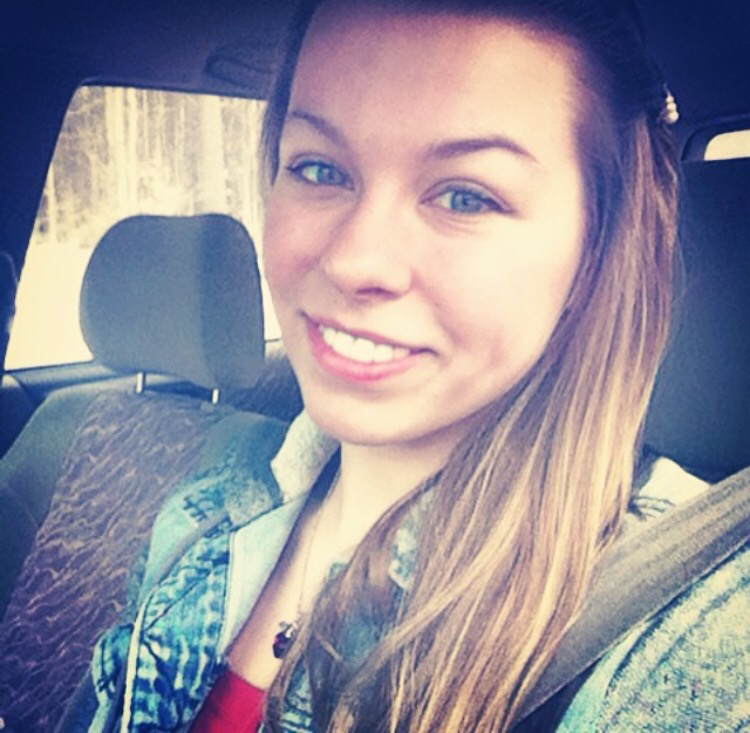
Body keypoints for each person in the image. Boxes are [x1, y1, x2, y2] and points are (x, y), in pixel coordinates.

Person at [60, 0, 748, 731]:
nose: (355, 260)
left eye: (466, 196)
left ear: (595, 253)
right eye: (319, 168)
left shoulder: (688, 639)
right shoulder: (204, 513)